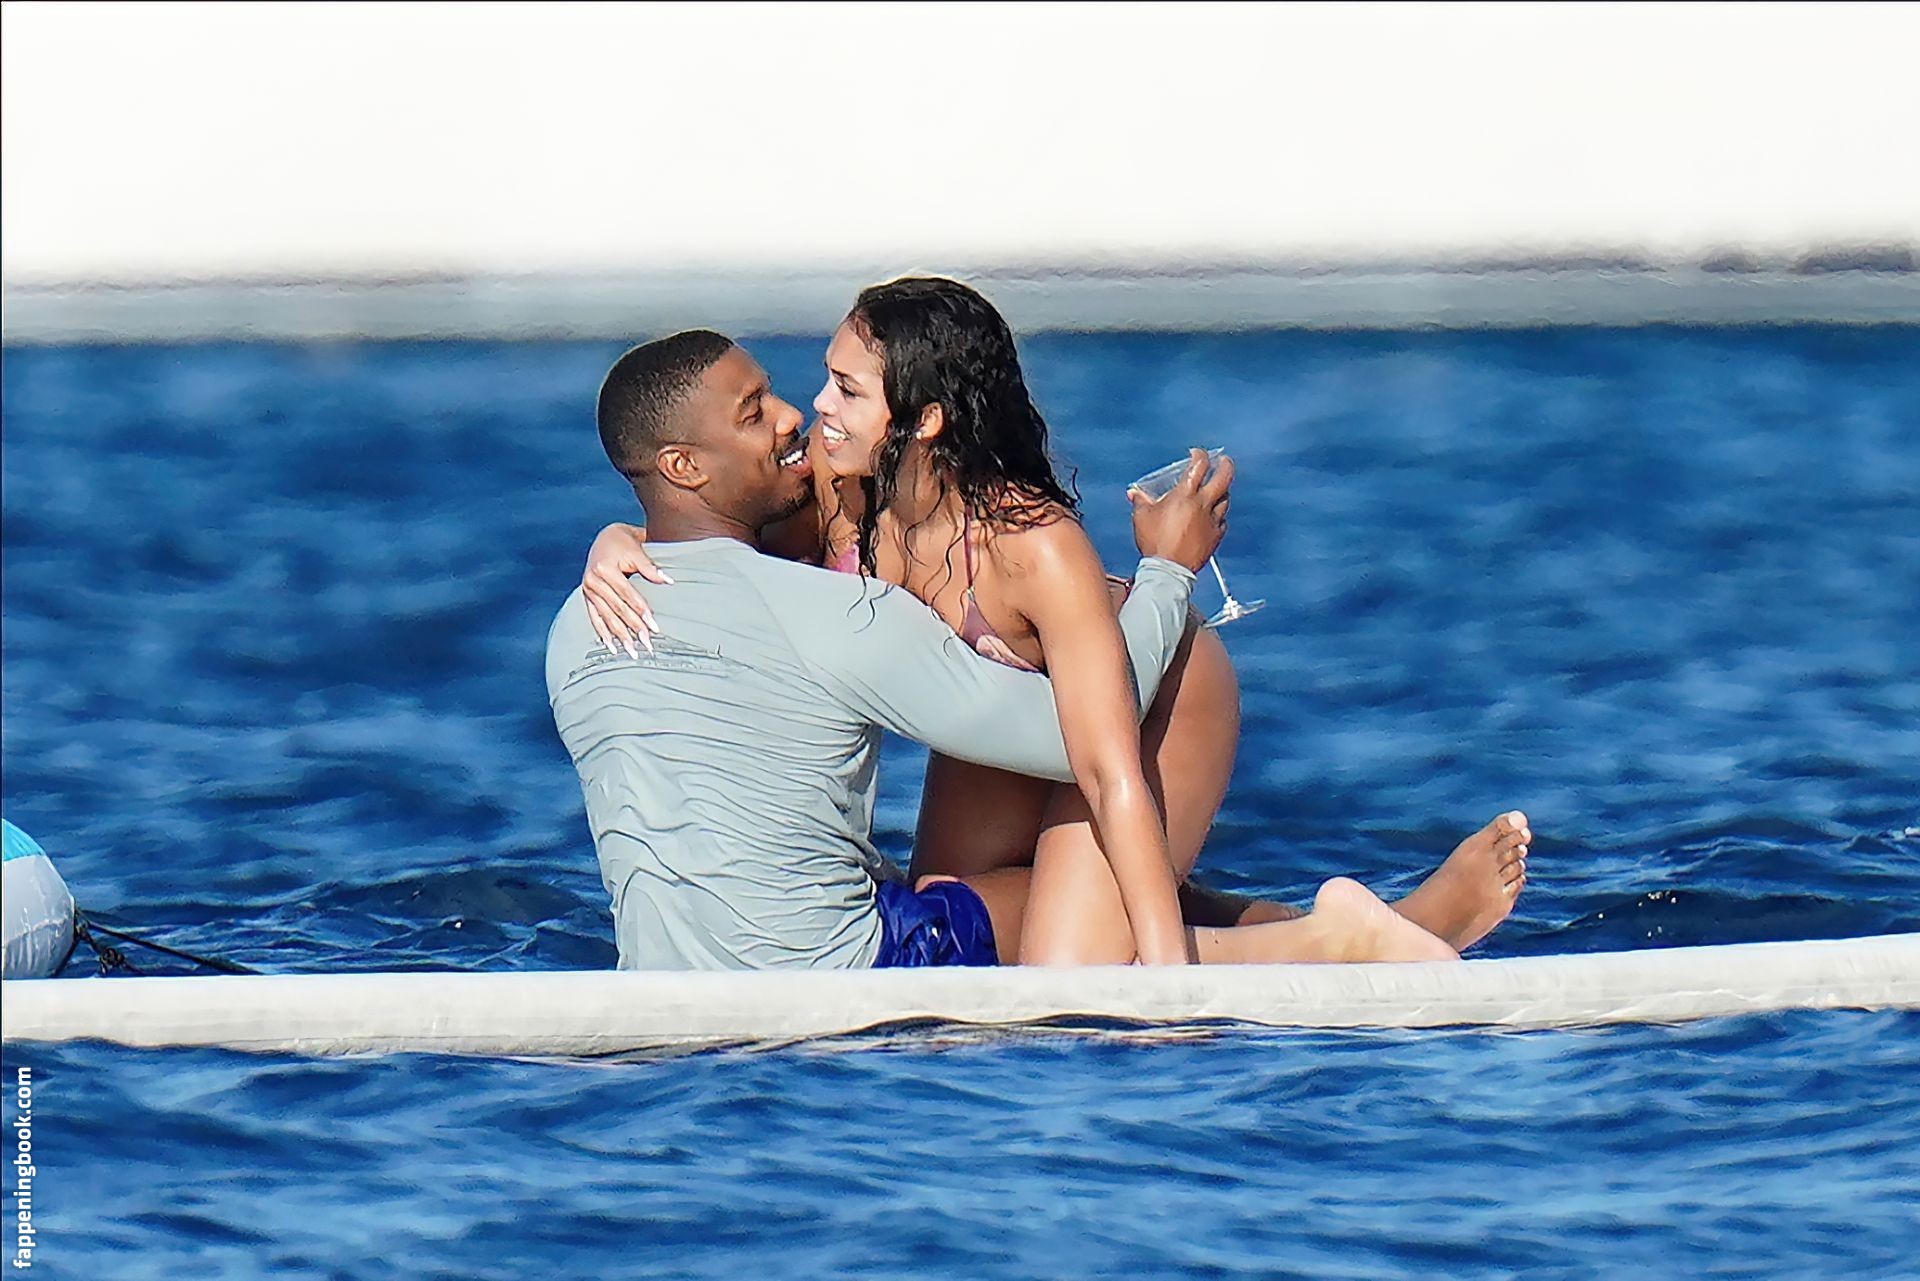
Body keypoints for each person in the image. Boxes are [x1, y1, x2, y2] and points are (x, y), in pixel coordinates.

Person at [579, 279, 1533, 963]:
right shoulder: (840, 486)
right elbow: (706, 522)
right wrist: (617, 539)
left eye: (846, 390)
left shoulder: (1031, 543)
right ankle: (1370, 922)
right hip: (1002, 718)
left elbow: (1108, 769)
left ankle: (1351, 943)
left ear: (923, 419)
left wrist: (1169, 997)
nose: (812, 411)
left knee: (1067, 968)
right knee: (981, 923)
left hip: (1146, 695)